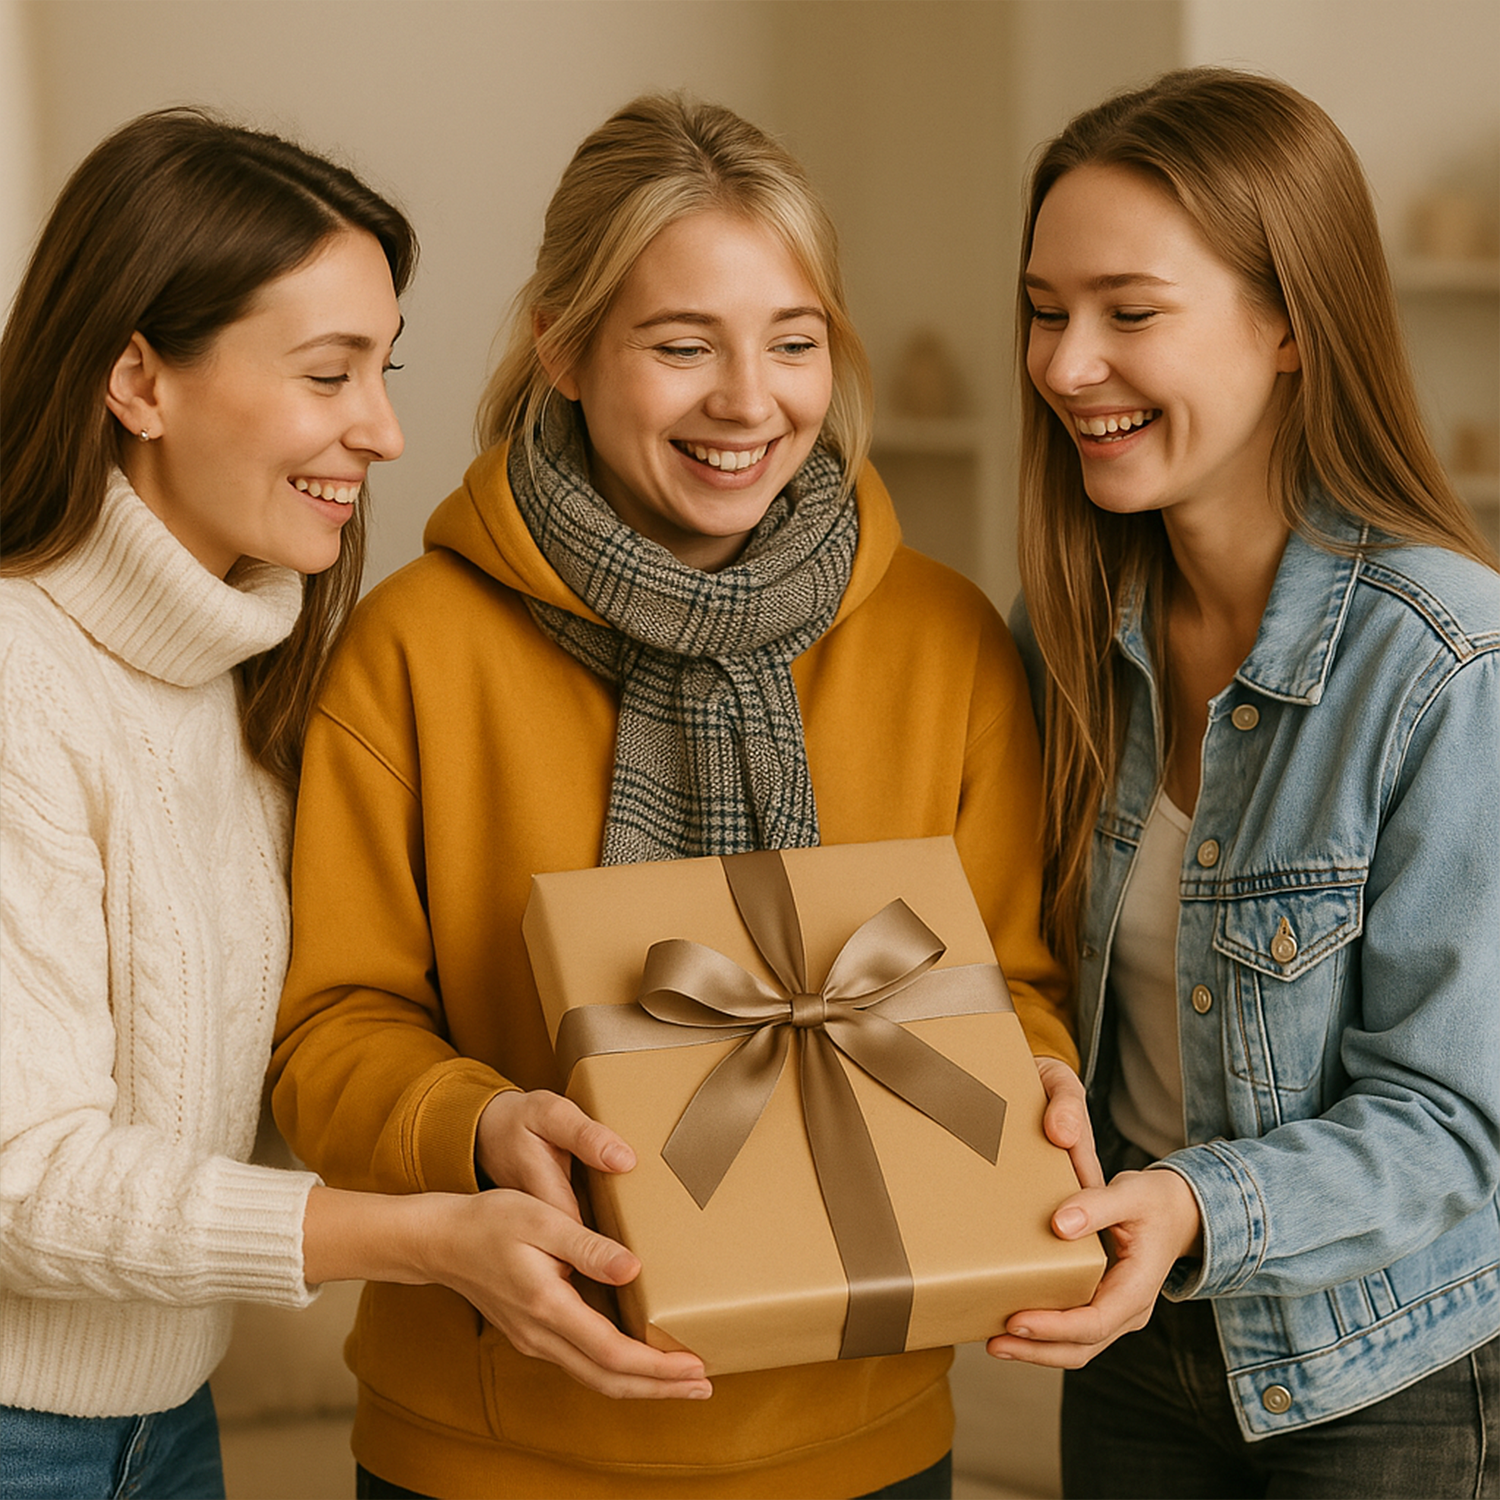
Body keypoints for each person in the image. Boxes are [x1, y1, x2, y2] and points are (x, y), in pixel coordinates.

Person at [269, 93, 1090, 1500]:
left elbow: (1009, 984)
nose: (748, 400)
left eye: (793, 341)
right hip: (494, 1440)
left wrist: (1042, 1080)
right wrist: (478, 1122)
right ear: (565, 348)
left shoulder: (945, 642)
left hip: (865, 1436)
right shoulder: (411, 649)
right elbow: (329, 1031)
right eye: (681, 345)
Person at [0, 108, 638, 1500]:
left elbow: (259, 1064)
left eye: (383, 369)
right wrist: (424, 1237)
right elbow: (19, 1177)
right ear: (136, 380)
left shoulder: (251, 681)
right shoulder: (16, 683)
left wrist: (488, 1125)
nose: (386, 430)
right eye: (328, 374)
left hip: (162, 1427)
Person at [991, 66, 1500, 1499]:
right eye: (1045, 309)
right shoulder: (1070, 631)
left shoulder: (1446, 664)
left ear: (1289, 323)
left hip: (1385, 1364)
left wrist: (1186, 1203)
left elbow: (1459, 1121)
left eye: (1128, 313)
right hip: (1139, 1336)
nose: (1066, 363)